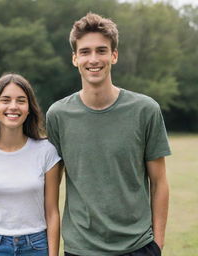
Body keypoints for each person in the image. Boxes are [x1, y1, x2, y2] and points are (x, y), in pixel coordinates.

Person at [45, 13, 171, 256]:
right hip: (81, 248)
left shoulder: (146, 110)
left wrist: (158, 244)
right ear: (75, 59)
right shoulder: (58, 115)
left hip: (138, 247)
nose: (94, 59)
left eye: (101, 50)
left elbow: (159, 182)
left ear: (114, 55)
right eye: (85, 51)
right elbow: (49, 189)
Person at [0, 73, 61, 256]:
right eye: (5, 100)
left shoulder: (47, 152)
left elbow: (52, 213)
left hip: (36, 247)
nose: (13, 107)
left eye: (21, 101)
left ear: (29, 108)